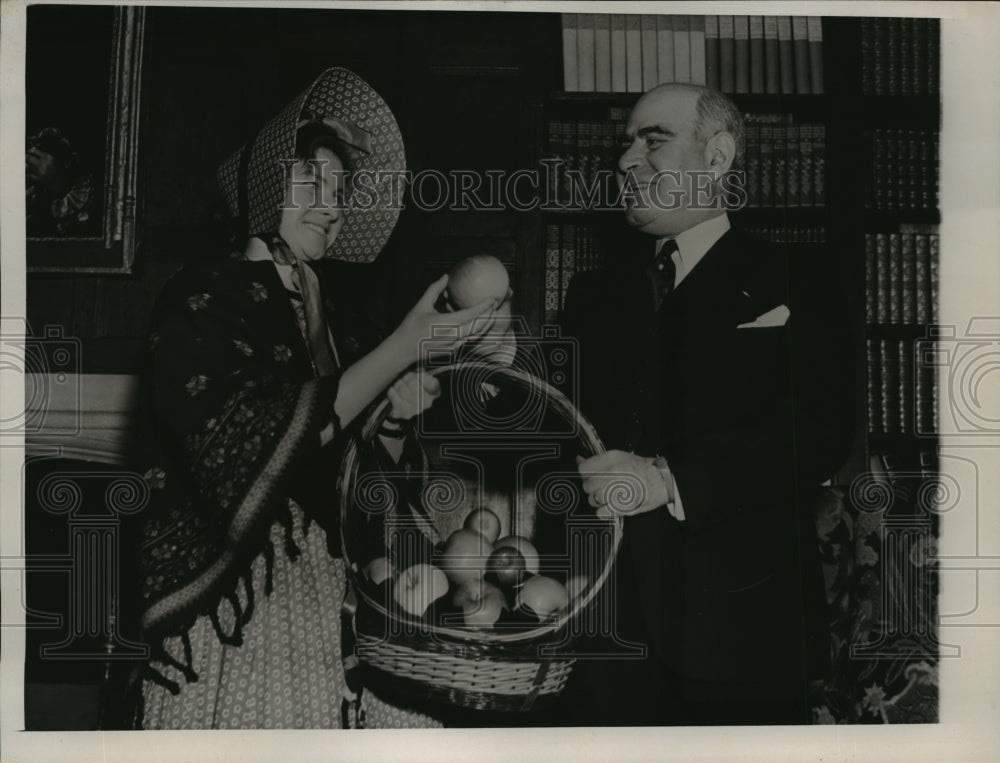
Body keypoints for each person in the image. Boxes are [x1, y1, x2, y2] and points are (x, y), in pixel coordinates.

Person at [129, 68, 499, 729]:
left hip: (329, 581)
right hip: (233, 599)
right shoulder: (201, 296)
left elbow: (343, 470)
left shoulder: (337, 320)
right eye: (312, 183)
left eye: (341, 189)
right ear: (270, 184)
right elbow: (241, 444)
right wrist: (402, 347)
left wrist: (392, 421)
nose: (331, 205)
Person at [561, 83, 855, 725]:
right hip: (606, 631)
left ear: (717, 158)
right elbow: (563, 440)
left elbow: (820, 428)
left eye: (653, 140)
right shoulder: (592, 295)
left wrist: (669, 479)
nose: (625, 160)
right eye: (626, 143)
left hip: (746, 634)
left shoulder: (798, 278)